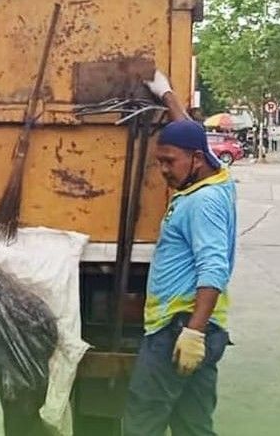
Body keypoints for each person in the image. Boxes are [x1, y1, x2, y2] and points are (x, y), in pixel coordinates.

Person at [120, 70, 235, 436]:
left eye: (169, 162)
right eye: (161, 161)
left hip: (179, 326)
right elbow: (189, 131)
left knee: (142, 421)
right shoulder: (218, 176)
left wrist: (193, 334)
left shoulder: (203, 202)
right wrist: (167, 95)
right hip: (193, 326)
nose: (164, 170)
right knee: (193, 424)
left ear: (195, 160)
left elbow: (213, 268)